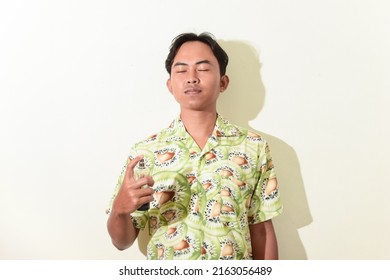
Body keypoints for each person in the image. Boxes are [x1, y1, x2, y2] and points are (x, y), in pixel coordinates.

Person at [106, 32, 283, 260]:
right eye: (181, 70)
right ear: (170, 85)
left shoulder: (254, 147)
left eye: (203, 68)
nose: (191, 77)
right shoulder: (144, 153)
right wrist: (119, 211)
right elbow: (122, 242)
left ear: (223, 82)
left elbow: (261, 231)